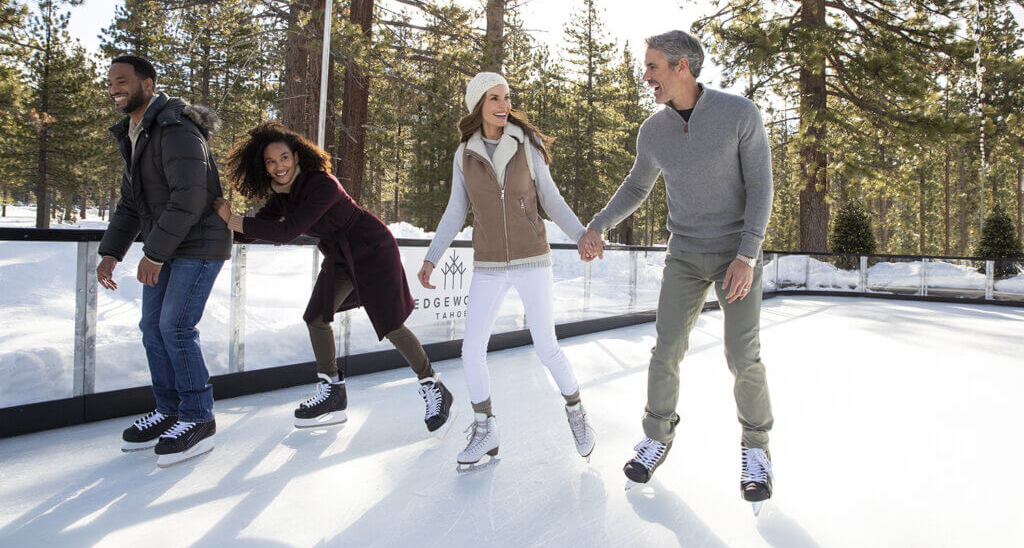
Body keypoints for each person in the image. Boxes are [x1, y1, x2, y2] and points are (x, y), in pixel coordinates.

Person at [579, 30, 775, 506]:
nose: (646, 76)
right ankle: (657, 435)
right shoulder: (654, 130)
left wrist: (747, 255)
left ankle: (757, 448)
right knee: (666, 348)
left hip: (736, 254)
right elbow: (635, 187)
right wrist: (598, 225)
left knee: (741, 354)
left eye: (652, 67)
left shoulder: (739, 115)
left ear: (681, 67)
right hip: (685, 253)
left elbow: (761, 189)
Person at [214, 121, 455, 434]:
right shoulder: (281, 197)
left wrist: (233, 219)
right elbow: (258, 229)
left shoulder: (321, 184)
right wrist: (221, 225)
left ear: (297, 156)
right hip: (342, 256)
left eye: (284, 158)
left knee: (390, 323)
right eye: (271, 162)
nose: (279, 167)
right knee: (315, 316)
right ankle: (333, 391)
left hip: (372, 248)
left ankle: (433, 385)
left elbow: (286, 231)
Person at [419, 72, 597, 470]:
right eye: (495, 99)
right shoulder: (464, 153)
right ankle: (485, 428)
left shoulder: (526, 144)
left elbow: (551, 198)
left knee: (546, 345)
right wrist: (433, 256)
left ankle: (576, 411)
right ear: (478, 105)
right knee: (471, 350)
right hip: (488, 264)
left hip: (533, 258)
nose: (504, 105)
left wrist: (583, 234)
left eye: (507, 97)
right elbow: (454, 211)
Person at [98, 55, 230, 468]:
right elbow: (130, 204)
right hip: (170, 244)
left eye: (122, 80)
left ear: (148, 84)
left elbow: (190, 195)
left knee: (175, 326)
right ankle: (169, 408)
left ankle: (198, 417)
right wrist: (110, 252)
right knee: (152, 327)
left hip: (198, 244)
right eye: (110, 82)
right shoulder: (137, 133)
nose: (114, 88)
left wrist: (153, 252)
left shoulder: (174, 126)